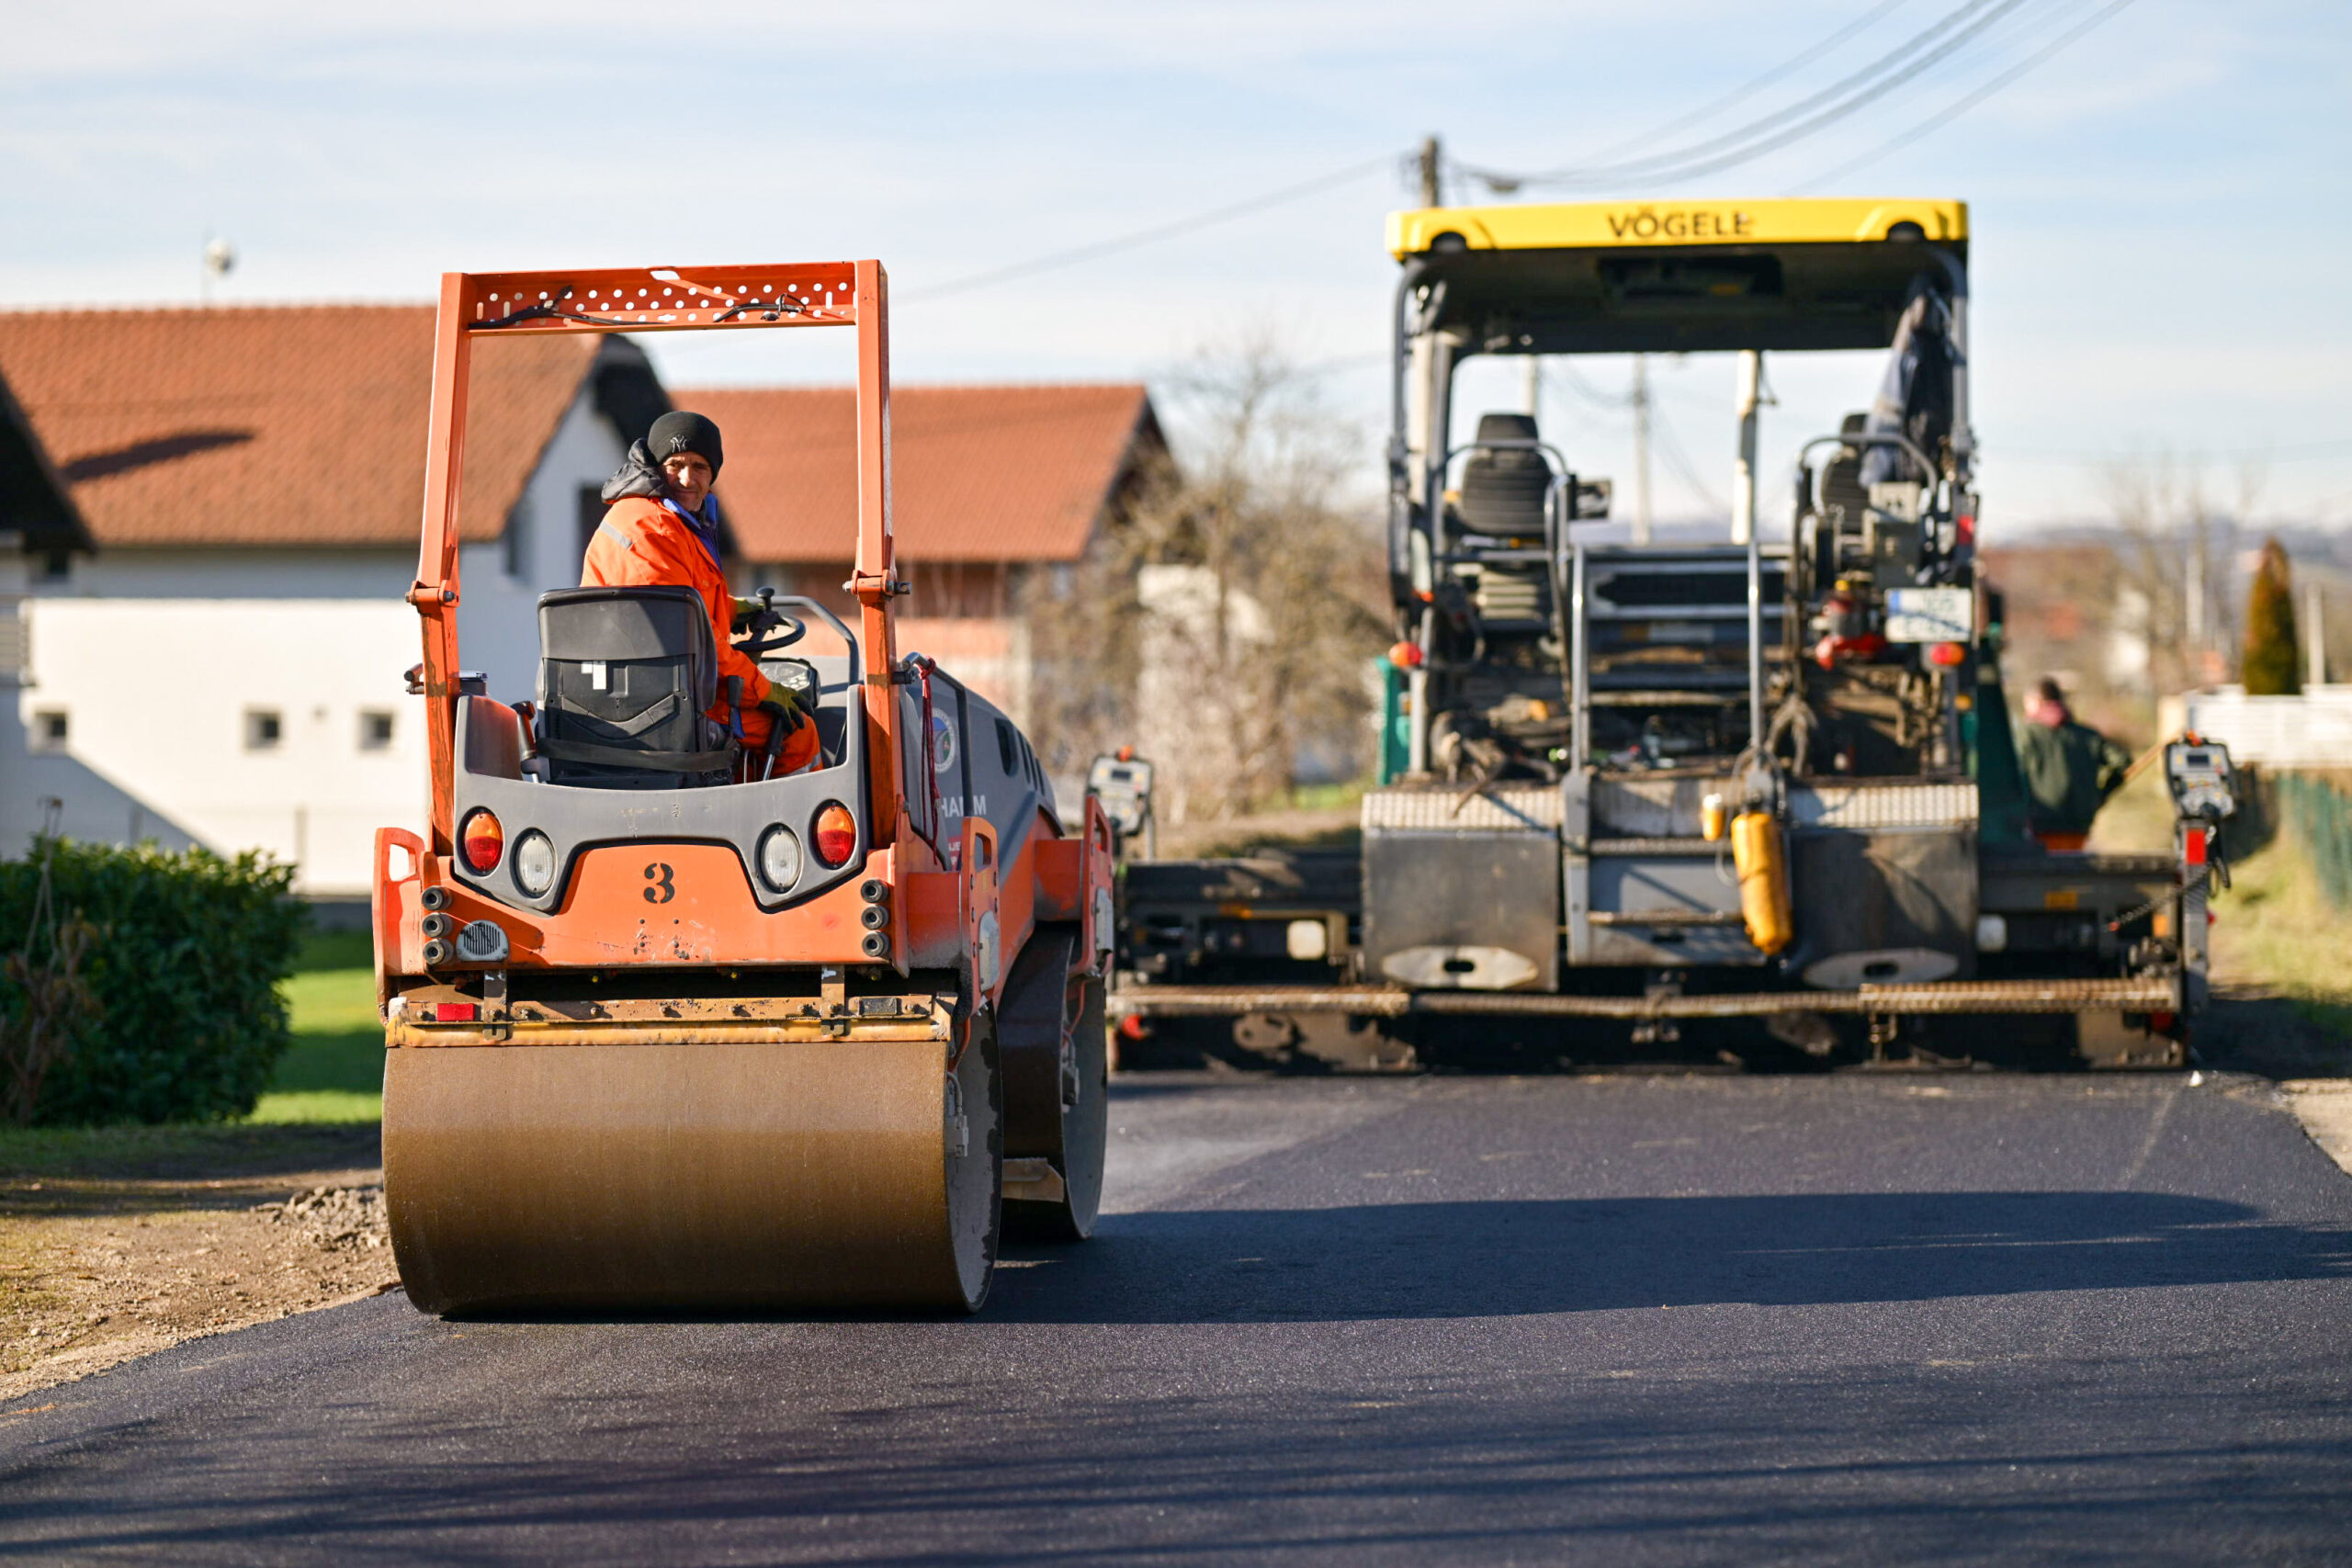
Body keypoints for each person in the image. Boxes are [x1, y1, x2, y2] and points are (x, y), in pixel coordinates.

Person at [582, 412, 816, 775]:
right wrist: (764, 689)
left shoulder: (668, 519)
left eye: (699, 466)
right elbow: (691, 636)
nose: (687, 478)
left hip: (648, 685)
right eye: (675, 465)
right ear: (655, 467)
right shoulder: (653, 527)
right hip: (658, 701)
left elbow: (674, 604)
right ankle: (794, 816)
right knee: (798, 732)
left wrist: (733, 610)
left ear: (713, 474)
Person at [2015, 677, 2132, 852]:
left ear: (2035, 702)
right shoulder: (2087, 735)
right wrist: (2101, 794)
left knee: (2044, 867)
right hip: (2079, 823)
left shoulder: (2024, 735)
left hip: (2039, 823)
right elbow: (2123, 761)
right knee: (2072, 864)